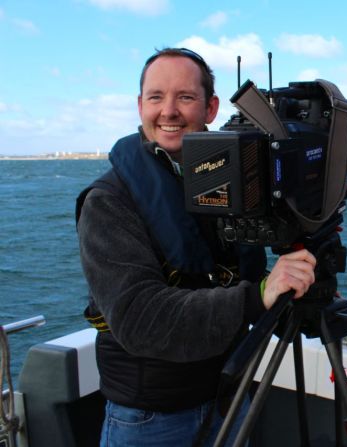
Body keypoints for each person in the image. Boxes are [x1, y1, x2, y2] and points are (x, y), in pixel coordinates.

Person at [76, 47, 317, 447]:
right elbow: (141, 319)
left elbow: (257, 249)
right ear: (140, 106)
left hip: (228, 398)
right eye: (156, 97)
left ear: (211, 108)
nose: (168, 111)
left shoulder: (233, 179)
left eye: (185, 97)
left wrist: (301, 275)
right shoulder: (108, 201)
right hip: (151, 419)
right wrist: (257, 296)